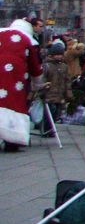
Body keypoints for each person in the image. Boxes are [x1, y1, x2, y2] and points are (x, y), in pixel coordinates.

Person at [0, 13, 45, 152]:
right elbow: (35, 67)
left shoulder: (1, 34)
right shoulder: (27, 41)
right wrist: (38, 83)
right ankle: (12, 139)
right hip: (15, 79)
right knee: (14, 105)